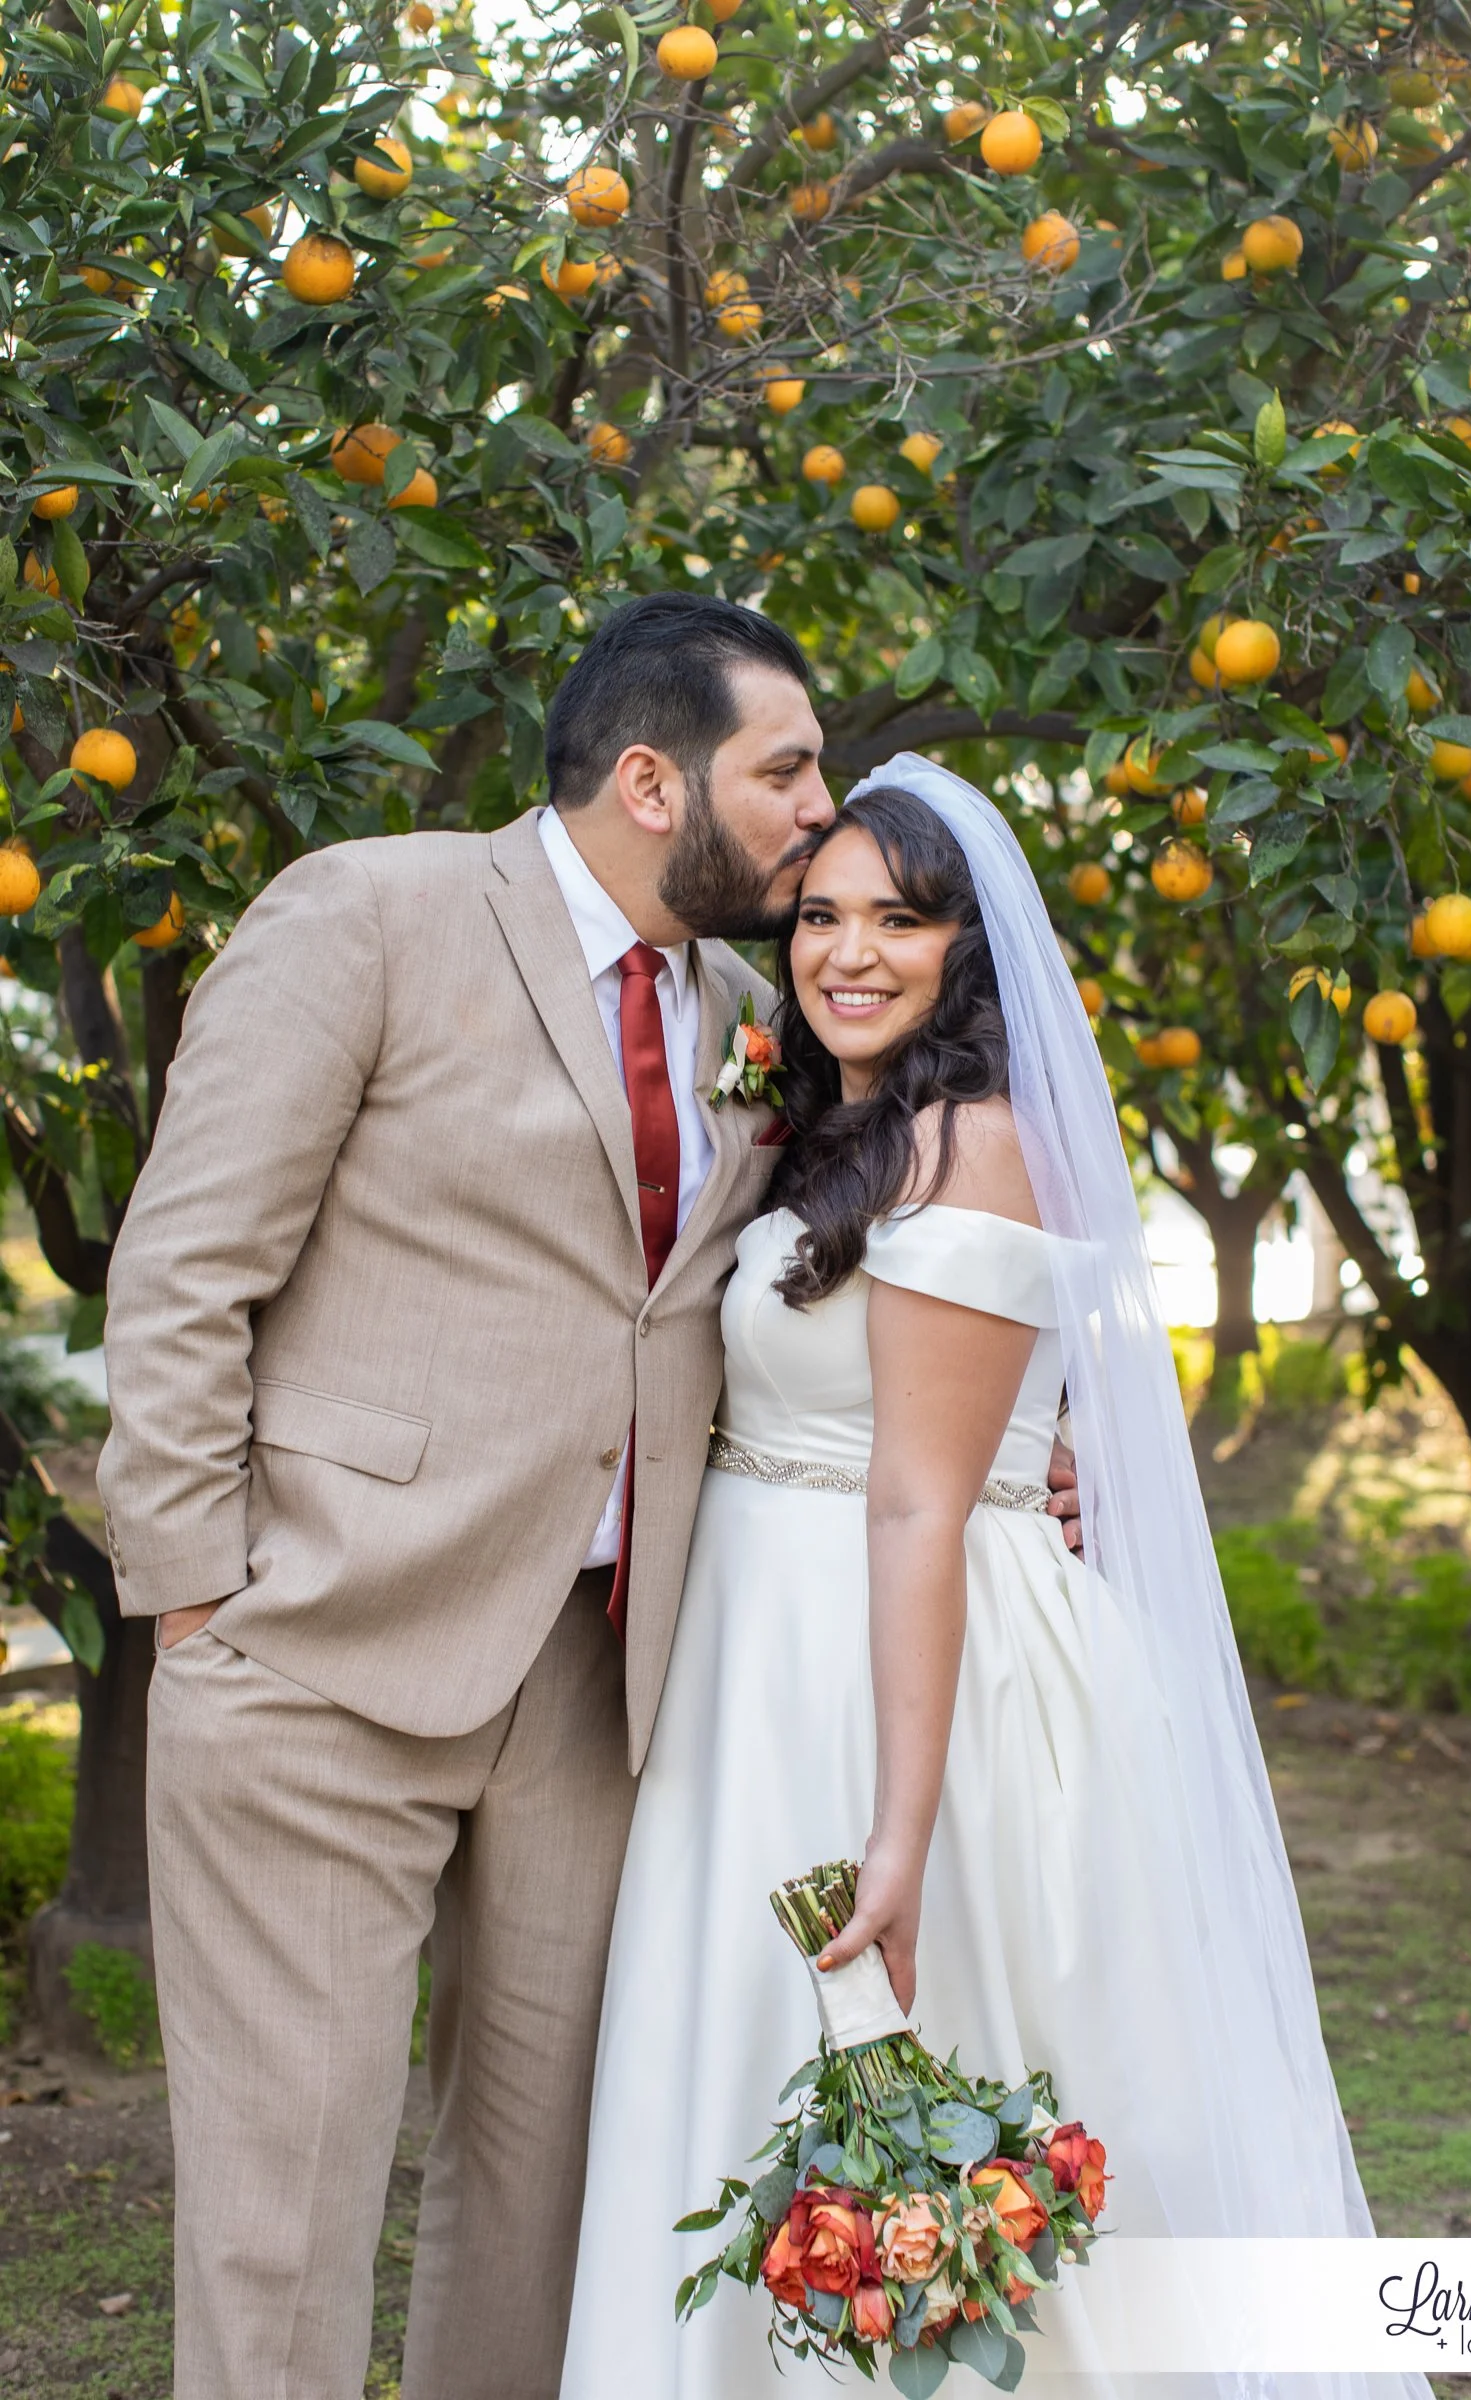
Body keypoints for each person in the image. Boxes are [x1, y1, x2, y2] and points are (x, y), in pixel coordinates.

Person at [559, 761, 1432, 2400]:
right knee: (752, 2083)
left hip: (899, 1676)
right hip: (766, 1662)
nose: (850, 952)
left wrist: (896, 1835)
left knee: (945, 2114)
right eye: (821, 914)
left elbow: (917, 1504)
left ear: (972, 946)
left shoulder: (965, 1141)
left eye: (904, 916)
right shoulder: (844, 1124)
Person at [98, 592, 841, 2400]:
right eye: (791, 770)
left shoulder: (752, 1009)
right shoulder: (372, 911)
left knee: (545, 2211)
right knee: (284, 2220)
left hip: (600, 1688)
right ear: (656, 781)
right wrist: (203, 1602)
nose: (825, 811)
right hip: (318, 1660)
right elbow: (185, 1269)